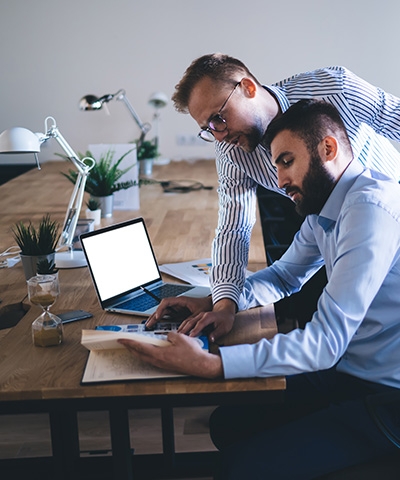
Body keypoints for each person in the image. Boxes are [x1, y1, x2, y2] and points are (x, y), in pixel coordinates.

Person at [120, 99, 400, 478]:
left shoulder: (370, 209)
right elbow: (284, 276)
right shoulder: (327, 206)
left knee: (242, 466)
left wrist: (212, 365)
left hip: (385, 396)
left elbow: (326, 341)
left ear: (328, 149)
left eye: (287, 161)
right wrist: (220, 302)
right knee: (228, 425)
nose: (280, 181)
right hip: (349, 369)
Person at [145, 53, 400, 341]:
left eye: (218, 118)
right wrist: (224, 303)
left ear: (248, 88)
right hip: (327, 230)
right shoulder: (231, 151)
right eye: (208, 129)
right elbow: (233, 228)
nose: (218, 135)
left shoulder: (334, 88)